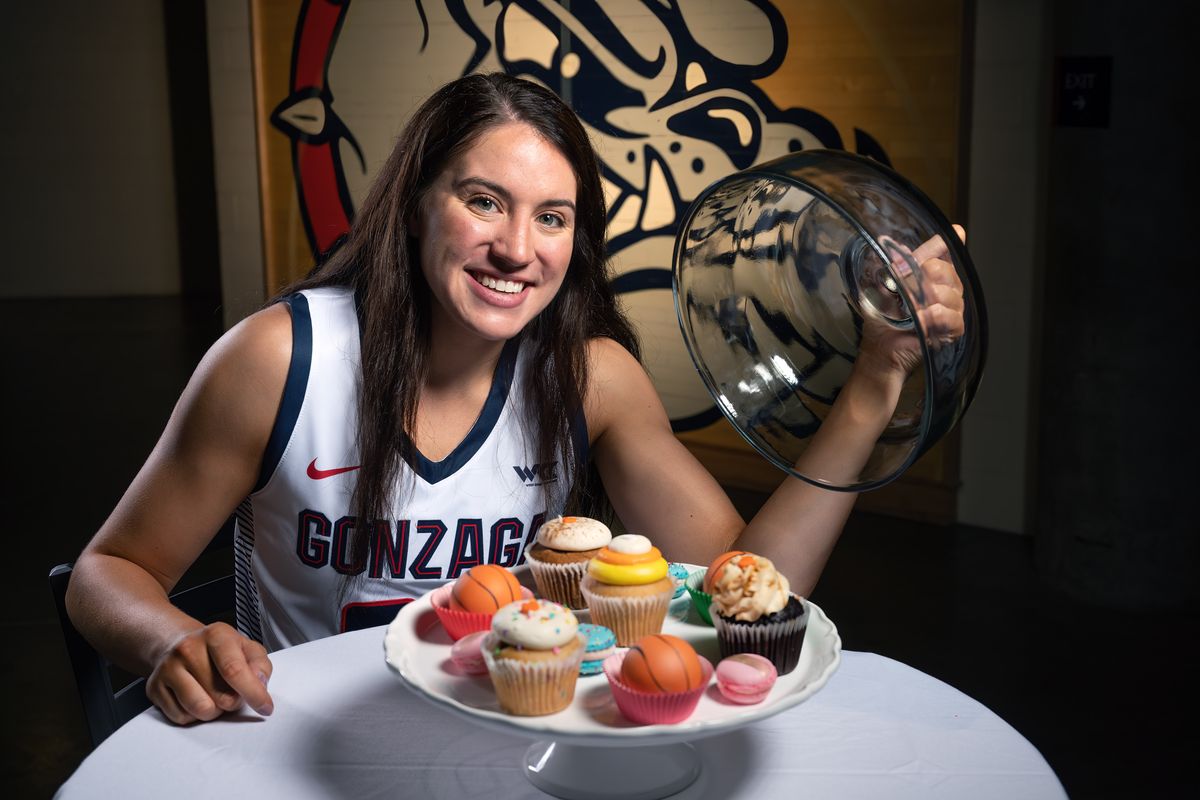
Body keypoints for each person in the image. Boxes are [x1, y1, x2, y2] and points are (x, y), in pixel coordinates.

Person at [66, 73, 964, 727]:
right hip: (309, 745)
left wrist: (877, 379)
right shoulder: (277, 360)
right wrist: (167, 639)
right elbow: (109, 573)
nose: (516, 248)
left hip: (509, 749)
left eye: (552, 216)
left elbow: (753, 585)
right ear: (417, 205)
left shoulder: (588, 374)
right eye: (484, 201)